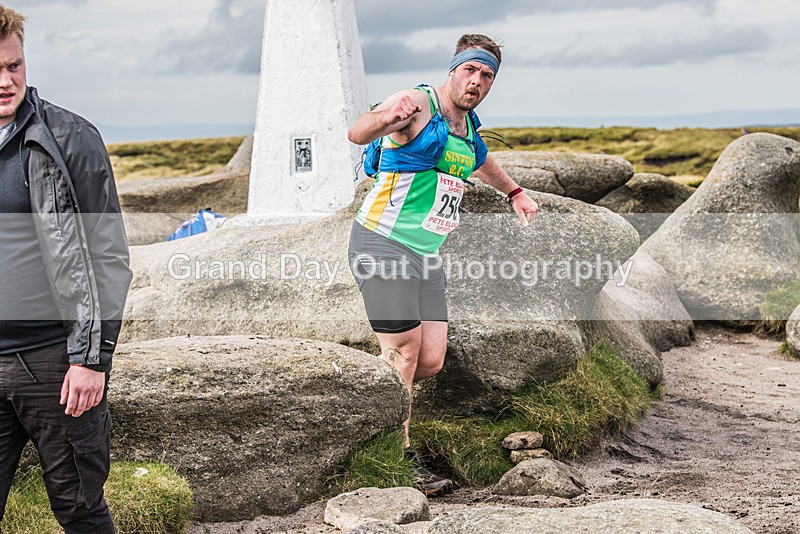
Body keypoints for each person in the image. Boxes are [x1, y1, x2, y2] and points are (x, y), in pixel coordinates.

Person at [347, 34, 538, 496]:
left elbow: (483, 160)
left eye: (486, 75)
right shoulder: (417, 103)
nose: (476, 81)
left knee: (429, 360)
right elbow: (358, 131)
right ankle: (397, 453)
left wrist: (514, 192)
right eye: (470, 70)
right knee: (405, 353)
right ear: (453, 69)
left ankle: (374, 406)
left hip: (425, 255)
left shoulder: (469, 127)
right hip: (382, 243)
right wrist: (387, 119)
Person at [0, 5, 132, 532]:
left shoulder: (71, 137)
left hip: (56, 364)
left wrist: (92, 361)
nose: (5, 80)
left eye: (13, 65)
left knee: (80, 510)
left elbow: (109, 257)